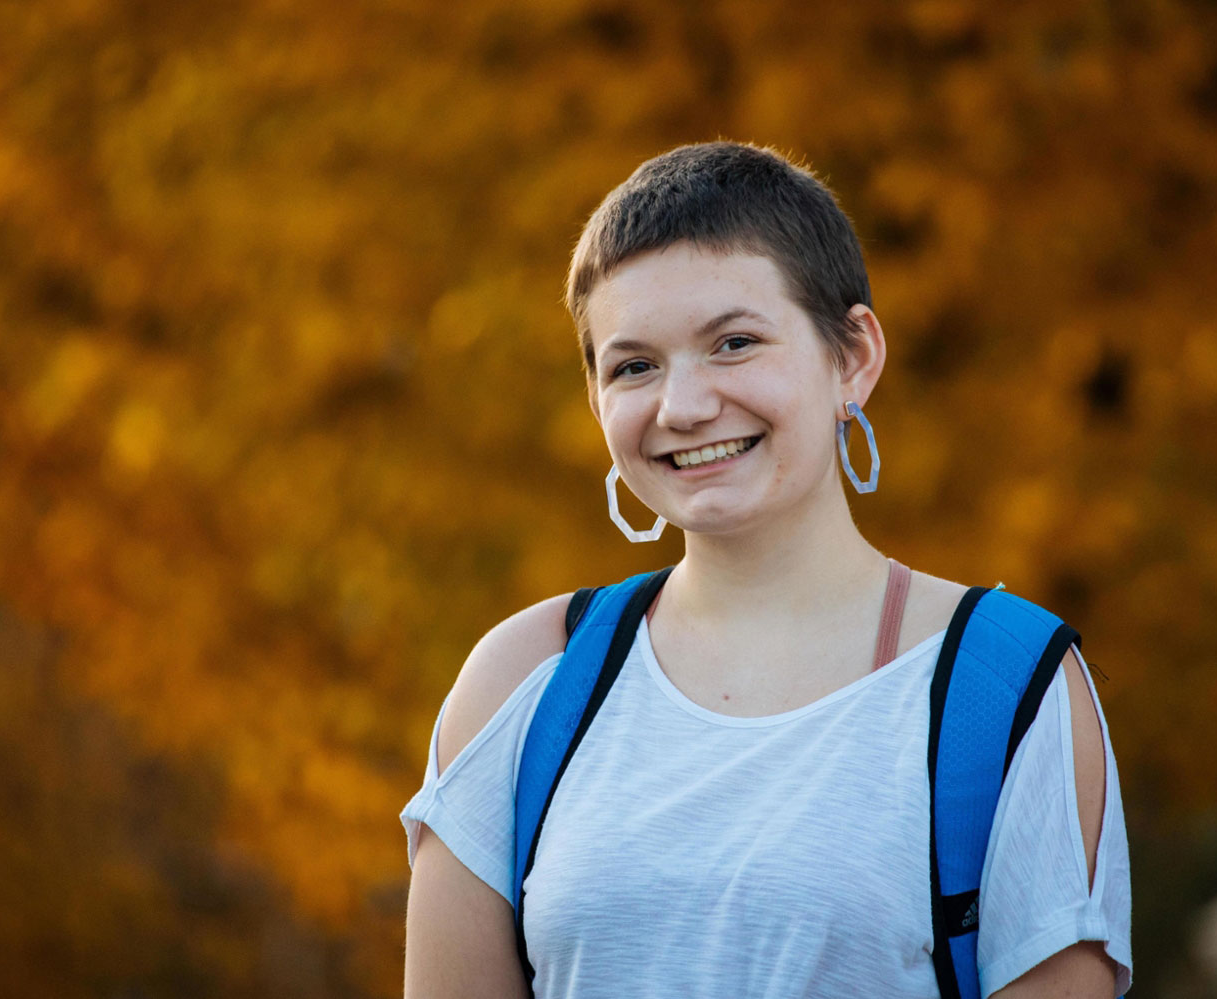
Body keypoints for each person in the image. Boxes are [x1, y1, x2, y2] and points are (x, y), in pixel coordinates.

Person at [401, 141, 1132, 998]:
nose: (682, 406)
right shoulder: (523, 682)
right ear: (596, 398)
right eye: (634, 365)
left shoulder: (1006, 686)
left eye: (735, 343)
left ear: (852, 355)